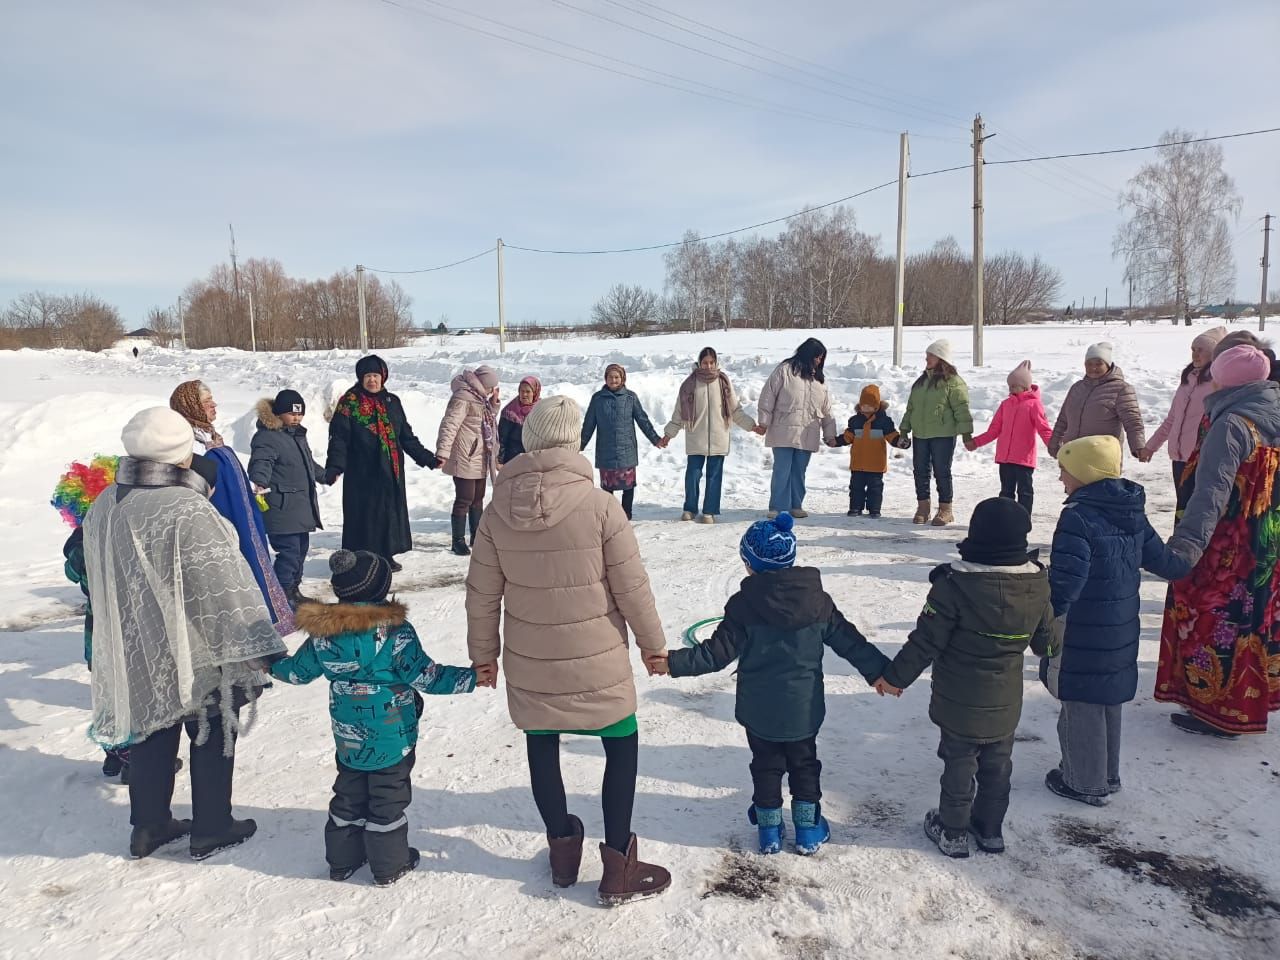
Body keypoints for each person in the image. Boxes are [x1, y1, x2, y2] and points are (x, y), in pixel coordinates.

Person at [465, 395, 671, 906]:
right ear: (574, 441)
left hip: (532, 661)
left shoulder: (495, 512)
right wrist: (653, 647)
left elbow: (481, 594)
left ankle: (561, 850)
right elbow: (633, 587)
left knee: (542, 743)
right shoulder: (602, 506)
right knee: (620, 744)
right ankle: (619, 865)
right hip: (598, 658)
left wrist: (483, 656)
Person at [84, 408, 285, 860]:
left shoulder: (105, 502)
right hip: (193, 641)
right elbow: (221, 583)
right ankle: (212, 825)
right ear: (180, 454)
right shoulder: (184, 506)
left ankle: (149, 826)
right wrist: (256, 642)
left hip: (135, 639)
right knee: (211, 724)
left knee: (151, 726)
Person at [655, 512, 890, 856]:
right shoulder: (817, 602)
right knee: (804, 764)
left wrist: (671, 663)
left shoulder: (743, 606)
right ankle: (808, 829)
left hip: (759, 710)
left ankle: (769, 830)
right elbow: (851, 642)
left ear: (750, 564)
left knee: (765, 765)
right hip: (803, 709)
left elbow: (715, 654)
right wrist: (882, 673)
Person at [269, 550, 484, 886]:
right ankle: (389, 864)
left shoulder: (323, 634)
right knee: (387, 795)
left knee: (349, 790)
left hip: (347, 735)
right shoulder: (396, 632)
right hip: (392, 733)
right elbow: (427, 677)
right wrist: (471, 678)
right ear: (381, 589)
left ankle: (342, 861)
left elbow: (296, 673)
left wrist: (269, 662)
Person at [876, 498, 1055, 859]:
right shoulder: (1036, 584)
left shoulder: (954, 584)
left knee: (959, 763)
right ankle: (990, 830)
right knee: (997, 767)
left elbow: (925, 640)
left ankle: (953, 830)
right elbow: (1047, 643)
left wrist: (895, 678)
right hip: (1006, 702)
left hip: (958, 697)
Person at [1042, 436, 1185, 805]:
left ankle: (1083, 782)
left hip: (1084, 628)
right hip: (1120, 626)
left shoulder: (1077, 516)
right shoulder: (1130, 509)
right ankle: (1107, 774)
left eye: (1065, 471)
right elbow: (1166, 562)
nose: (1061, 479)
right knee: (1107, 697)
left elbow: (1066, 582)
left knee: (1081, 700)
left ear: (1084, 474)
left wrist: (1041, 615)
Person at [1156, 343, 1280, 738]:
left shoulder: (1232, 425)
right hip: (1265, 542)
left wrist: (1186, 549)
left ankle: (1217, 710)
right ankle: (1245, 702)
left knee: (1212, 619)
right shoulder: (1271, 411)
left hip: (1226, 545)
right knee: (1253, 620)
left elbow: (1211, 492)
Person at [170, 380, 295, 633]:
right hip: (220, 522)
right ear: (191, 407)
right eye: (206, 402)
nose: (214, 405)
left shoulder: (211, 437)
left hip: (242, 517)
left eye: (212, 399)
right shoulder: (186, 445)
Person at [325, 355, 439, 572]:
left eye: (376, 375)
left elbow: (406, 437)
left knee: (387, 513)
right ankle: (362, 558)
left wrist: (428, 459)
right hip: (362, 473)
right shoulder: (349, 403)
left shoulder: (392, 402)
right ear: (361, 377)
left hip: (390, 471)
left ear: (383, 377)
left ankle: (385, 554)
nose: (372, 381)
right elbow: (339, 438)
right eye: (367, 376)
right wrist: (335, 467)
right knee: (364, 516)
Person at [662, 346, 763, 524]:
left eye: (711, 362)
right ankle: (690, 508)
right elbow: (679, 413)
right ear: (699, 363)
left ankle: (709, 511)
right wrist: (668, 435)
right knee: (692, 474)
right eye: (704, 362)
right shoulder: (689, 384)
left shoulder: (723, 382)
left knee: (714, 476)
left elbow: (735, 410)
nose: (708, 366)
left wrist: (752, 426)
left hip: (719, 438)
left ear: (716, 363)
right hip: (696, 438)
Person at [247, 390, 327, 608]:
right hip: (281, 507)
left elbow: (308, 463)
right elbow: (261, 461)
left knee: (300, 551)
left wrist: (325, 475)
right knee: (289, 552)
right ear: (280, 413)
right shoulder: (268, 437)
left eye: (299, 414)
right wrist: (259, 479)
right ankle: (281, 595)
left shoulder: (296, 436)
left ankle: (293, 590)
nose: (296, 418)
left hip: (299, 507)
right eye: (292, 414)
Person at [1138, 327, 1227, 519]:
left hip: (1201, 458)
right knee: (1182, 505)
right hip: (1179, 457)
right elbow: (1172, 419)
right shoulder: (1188, 379)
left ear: (1214, 352)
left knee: (1200, 508)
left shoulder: (1218, 383)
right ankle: (1179, 544)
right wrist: (1150, 447)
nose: (1195, 354)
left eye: (1200, 349)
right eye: (1193, 349)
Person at [758, 338, 836, 520]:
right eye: (817, 356)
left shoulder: (819, 380)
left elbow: (826, 409)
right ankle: (777, 506)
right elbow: (767, 396)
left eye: (822, 358)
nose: (819, 361)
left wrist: (830, 434)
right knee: (782, 469)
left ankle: (796, 505)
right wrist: (763, 422)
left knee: (799, 471)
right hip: (783, 429)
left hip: (807, 433)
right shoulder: (785, 371)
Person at [897, 340, 973, 527]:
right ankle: (923, 507)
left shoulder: (953, 382)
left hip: (943, 434)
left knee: (942, 471)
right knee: (920, 471)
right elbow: (911, 408)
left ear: (941, 358)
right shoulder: (921, 382)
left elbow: (961, 409)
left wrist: (966, 434)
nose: (926, 358)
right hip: (920, 434)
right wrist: (905, 429)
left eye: (930, 355)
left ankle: (946, 509)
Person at [965, 360, 1052, 516]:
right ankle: (1005, 521)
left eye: (1014, 385)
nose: (1011, 389)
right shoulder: (1006, 405)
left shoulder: (1034, 405)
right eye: (1009, 385)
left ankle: (1023, 520)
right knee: (1006, 492)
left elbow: (1043, 429)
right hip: (1005, 458)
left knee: (1025, 492)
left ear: (1025, 386)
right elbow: (994, 430)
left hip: (1024, 459)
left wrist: (1053, 446)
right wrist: (976, 442)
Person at [581, 364, 664, 521]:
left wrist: (655, 439)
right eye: (610, 377)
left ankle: (627, 515)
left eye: (617, 377)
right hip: (606, 451)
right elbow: (589, 424)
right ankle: (609, 517)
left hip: (627, 450)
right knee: (607, 487)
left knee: (628, 486)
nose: (614, 380)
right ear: (605, 378)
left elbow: (642, 420)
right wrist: (580, 444)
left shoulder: (630, 398)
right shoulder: (598, 399)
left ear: (623, 379)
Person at [436, 365, 501, 556]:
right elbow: (449, 425)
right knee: (465, 497)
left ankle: (477, 536)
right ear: (483, 384)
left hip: (480, 456)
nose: (492, 391)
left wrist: (494, 404)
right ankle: (457, 541)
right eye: (491, 388)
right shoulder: (463, 398)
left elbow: (484, 421)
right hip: (464, 455)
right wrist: (442, 452)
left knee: (478, 498)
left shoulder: (480, 398)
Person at [1047, 342, 1145, 461]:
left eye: (1099, 364)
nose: (1093, 368)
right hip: (1072, 453)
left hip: (1102, 457)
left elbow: (1133, 422)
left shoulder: (1121, 389)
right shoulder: (1077, 388)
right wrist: (1054, 443)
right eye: (1089, 364)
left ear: (1108, 365)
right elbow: (1063, 420)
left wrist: (1138, 447)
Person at [830, 384, 899, 518]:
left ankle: (874, 509)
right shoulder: (855, 421)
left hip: (876, 464)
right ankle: (855, 507)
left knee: (875, 489)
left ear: (877, 406)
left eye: (870, 405)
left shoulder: (884, 422)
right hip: (858, 463)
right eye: (863, 405)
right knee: (856, 488)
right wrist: (836, 441)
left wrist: (900, 442)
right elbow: (847, 437)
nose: (866, 408)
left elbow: (892, 436)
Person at [498, 376, 542, 466]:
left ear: (535, 393)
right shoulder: (509, 412)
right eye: (522, 391)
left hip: (534, 460)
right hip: (513, 459)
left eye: (528, 391)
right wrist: (500, 460)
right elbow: (502, 439)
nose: (524, 394)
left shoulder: (541, 410)